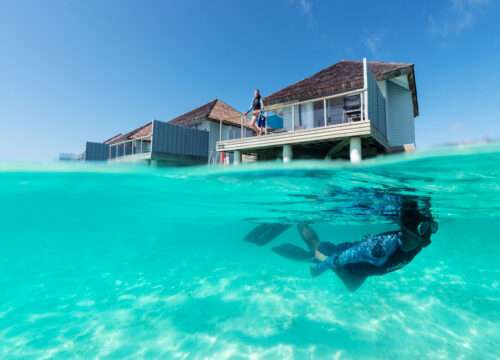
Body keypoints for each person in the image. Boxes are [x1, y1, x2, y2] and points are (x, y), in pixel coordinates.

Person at [244, 193, 438, 291]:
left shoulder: (416, 240)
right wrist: (322, 266)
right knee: (315, 250)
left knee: (316, 257)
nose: (429, 235)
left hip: (356, 270)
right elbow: (342, 258)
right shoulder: (385, 247)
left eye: (432, 228)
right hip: (349, 262)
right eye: (426, 229)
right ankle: (300, 220)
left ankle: (305, 243)